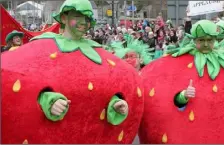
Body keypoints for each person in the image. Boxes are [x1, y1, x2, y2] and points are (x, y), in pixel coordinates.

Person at [1, 0, 144, 143]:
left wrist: (116, 104)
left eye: (87, 19)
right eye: (78, 16)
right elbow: (28, 82)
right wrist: (48, 100)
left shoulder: (100, 54)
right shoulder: (42, 49)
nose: (83, 22)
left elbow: (107, 86)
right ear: (64, 18)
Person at [139, 20, 224, 144]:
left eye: (210, 40)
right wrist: (183, 96)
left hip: (221, 130)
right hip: (190, 132)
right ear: (194, 40)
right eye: (201, 40)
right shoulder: (178, 63)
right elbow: (167, 99)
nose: (206, 44)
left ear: (215, 39)